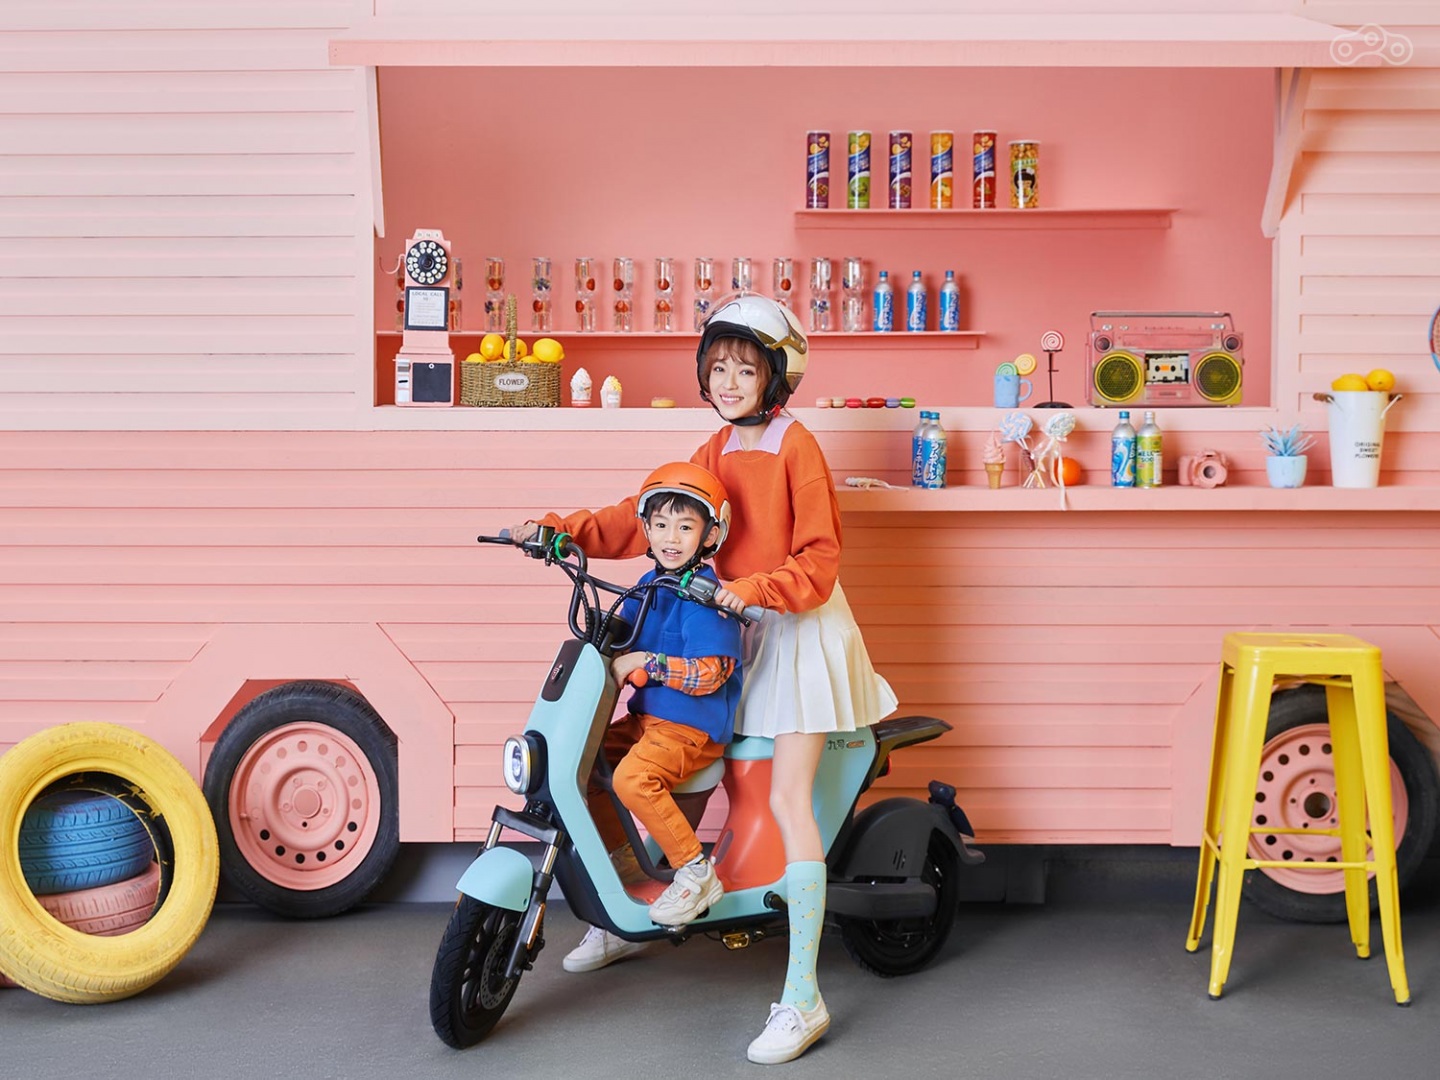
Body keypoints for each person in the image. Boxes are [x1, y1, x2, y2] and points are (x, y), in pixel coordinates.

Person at [514, 293, 896, 1065]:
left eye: (745, 370)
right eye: (717, 367)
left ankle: (802, 997)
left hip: (798, 633)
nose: (728, 381)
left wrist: (746, 591)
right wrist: (559, 531)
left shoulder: (797, 447)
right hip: (733, 625)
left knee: (785, 800)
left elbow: (819, 560)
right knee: (674, 769)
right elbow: (646, 514)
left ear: (776, 377)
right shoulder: (716, 448)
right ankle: (636, 914)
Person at [568, 463, 744, 964]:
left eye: (685, 527)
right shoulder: (650, 584)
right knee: (584, 763)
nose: (671, 537)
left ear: (710, 535)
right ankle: (625, 868)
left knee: (632, 779)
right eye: (661, 525)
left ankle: (695, 871)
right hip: (648, 720)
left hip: (691, 725)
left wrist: (651, 663)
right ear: (646, 528)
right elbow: (624, 634)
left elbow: (712, 672)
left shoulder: (707, 597)